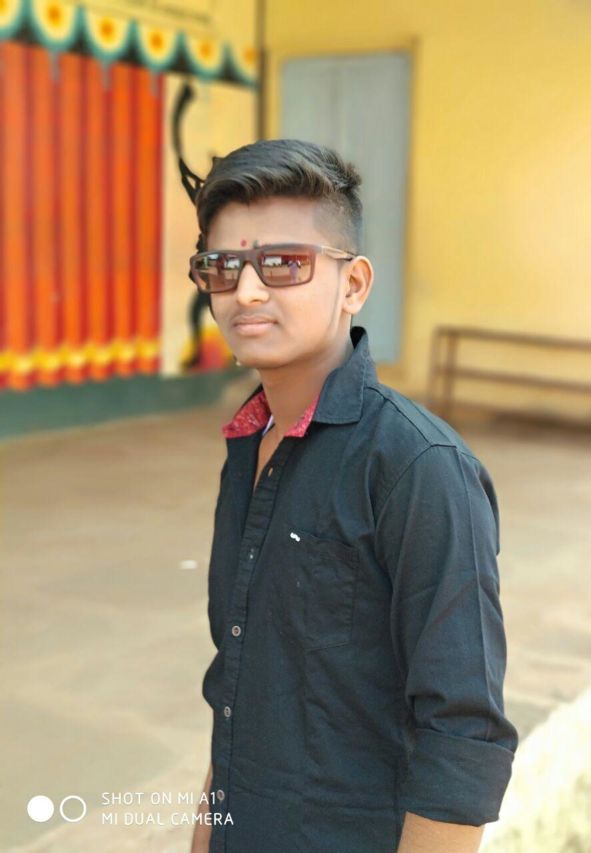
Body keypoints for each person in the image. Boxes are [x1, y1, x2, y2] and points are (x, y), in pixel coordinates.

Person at [188, 139, 518, 853]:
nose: (247, 291)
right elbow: (237, 680)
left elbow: (462, 731)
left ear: (354, 284)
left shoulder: (418, 467)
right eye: (222, 267)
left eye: (284, 263)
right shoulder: (249, 446)